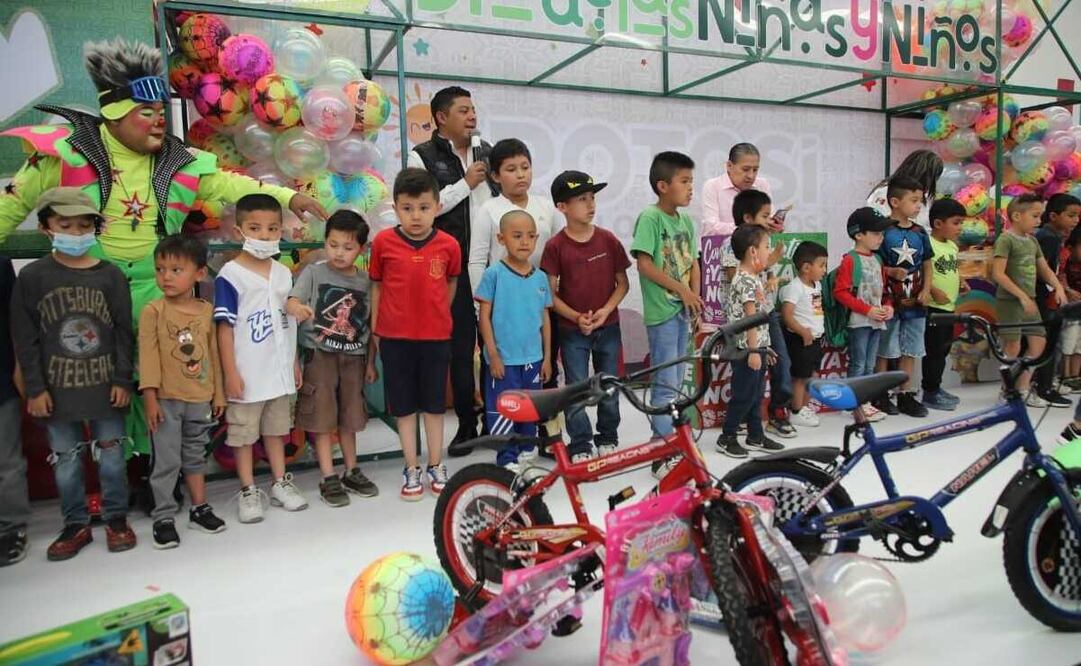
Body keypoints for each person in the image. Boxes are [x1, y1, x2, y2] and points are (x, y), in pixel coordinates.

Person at [0, 39, 325, 460]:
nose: (158, 122)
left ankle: (158, 469)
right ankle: (115, 475)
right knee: (99, 383)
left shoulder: (177, 159)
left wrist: (287, 197)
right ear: (115, 115)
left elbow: (230, 185)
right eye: (146, 113)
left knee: (168, 380)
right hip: (91, 290)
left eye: (160, 113)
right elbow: (12, 204)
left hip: (161, 290)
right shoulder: (66, 153)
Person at [10, 187, 135, 561]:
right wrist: (34, 388)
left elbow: (123, 333)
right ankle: (75, 523)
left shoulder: (110, 276)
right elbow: (25, 338)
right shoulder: (33, 277)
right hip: (56, 389)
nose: (76, 233)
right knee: (65, 460)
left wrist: (122, 380)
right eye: (65, 225)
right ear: (47, 227)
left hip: (106, 386)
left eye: (83, 225)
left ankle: (116, 519)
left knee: (112, 457)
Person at [408, 86, 495, 452]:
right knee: (460, 350)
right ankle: (466, 423)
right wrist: (465, 184)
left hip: (493, 267)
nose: (472, 116)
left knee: (494, 347)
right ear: (441, 117)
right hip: (450, 270)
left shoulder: (488, 152)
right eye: (463, 110)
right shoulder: (421, 157)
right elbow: (423, 207)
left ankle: (497, 419)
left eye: (474, 109)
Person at [214, 194, 307, 524]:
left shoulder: (283, 274)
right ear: (239, 232)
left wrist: (293, 362)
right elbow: (224, 328)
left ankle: (280, 483)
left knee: (276, 430)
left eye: (272, 229)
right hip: (247, 374)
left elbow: (288, 322)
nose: (265, 236)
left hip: (278, 371)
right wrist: (230, 373)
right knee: (243, 435)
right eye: (255, 228)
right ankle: (248, 489)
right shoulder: (230, 275)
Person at [369, 168, 461, 500]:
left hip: (436, 337)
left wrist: (438, 315)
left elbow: (450, 283)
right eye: (407, 208)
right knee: (405, 408)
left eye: (423, 207)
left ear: (437, 206)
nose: (416, 215)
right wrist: (378, 329)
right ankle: (412, 467)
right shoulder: (383, 243)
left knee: (435, 407)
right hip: (395, 338)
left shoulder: (449, 245)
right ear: (395, 208)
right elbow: (376, 286)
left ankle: (437, 464)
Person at [286, 211, 379, 508]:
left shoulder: (366, 282)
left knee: (351, 418)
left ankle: (352, 470)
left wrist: (371, 362)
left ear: (361, 250)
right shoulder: (314, 272)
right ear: (325, 242)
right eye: (333, 244)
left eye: (348, 247)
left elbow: (371, 324)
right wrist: (298, 309)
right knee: (322, 417)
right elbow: (291, 300)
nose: (339, 252)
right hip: (320, 356)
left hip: (354, 357)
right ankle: (328, 476)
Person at [139, 235, 227, 548]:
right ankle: (163, 516)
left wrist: (218, 394)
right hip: (166, 400)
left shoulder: (206, 311)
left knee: (194, 454)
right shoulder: (154, 311)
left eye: (176, 270)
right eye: (161, 269)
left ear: (199, 273)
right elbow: (147, 356)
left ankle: (199, 507)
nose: (166, 277)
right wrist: (150, 397)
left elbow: (214, 353)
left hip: (200, 397)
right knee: (165, 460)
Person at [541, 171, 629, 463]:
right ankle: (580, 443)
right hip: (571, 330)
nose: (590, 205)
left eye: (592, 198)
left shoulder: (608, 240)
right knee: (577, 386)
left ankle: (608, 436)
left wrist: (605, 311)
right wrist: (576, 317)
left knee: (609, 384)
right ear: (562, 207)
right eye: (581, 199)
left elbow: (623, 283)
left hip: (610, 326)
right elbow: (549, 294)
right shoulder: (555, 246)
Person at [630, 152, 702, 478]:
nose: (690, 189)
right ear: (662, 186)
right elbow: (644, 264)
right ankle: (662, 453)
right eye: (684, 182)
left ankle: (676, 443)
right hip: (662, 313)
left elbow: (694, 261)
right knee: (665, 384)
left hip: (684, 312)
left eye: (691, 181)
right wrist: (681, 290)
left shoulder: (685, 221)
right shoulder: (650, 217)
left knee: (677, 384)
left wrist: (695, 297)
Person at [475, 210, 552, 471]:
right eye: (517, 236)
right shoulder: (493, 274)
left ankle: (527, 450)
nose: (524, 242)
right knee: (504, 407)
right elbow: (484, 317)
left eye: (531, 236)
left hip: (533, 358)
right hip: (504, 359)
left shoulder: (540, 278)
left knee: (529, 407)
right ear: (501, 238)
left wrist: (548, 357)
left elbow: (545, 319)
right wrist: (493, 354)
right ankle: (506, 458)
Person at [721, 189, 793, 437]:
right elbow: (744, 292)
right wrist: (755, 349)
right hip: (747, 331)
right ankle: (732, 431)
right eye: (765, 215)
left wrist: (771, 273)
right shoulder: (740, 263)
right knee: (748, 386)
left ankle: (759, 429)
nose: (770, 220)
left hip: (763, 320)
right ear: (748, 218)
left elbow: (762, 274)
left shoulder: (757, 258)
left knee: (764, 378)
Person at [992, 193, 1067, 404]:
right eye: (1034, 216)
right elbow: (998, 273)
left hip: (1030, 300)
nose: (1038, 221)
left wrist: (1058, 287)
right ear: (1017, 216)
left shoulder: (1032, 241)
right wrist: (1021, 296)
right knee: (1013, 346)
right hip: (1011, 302)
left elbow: (1044, 268)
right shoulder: (1006, 239)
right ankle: (1007, 390)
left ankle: (1023, 387)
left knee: (1039, 344)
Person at [716, 225, 784, 458]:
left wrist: (765, 348)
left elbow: (760, 314)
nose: (769, 251)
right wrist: (755, 350)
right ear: (753, 251)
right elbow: (750, 318)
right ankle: (727, 436)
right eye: (766, 246)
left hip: (758, 347)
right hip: (746, 349)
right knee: (744, 394)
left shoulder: (753, 278)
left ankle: (756, 434)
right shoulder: (744, 280)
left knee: (756, 394)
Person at [872, 176, 933, 418]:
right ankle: (881, 393)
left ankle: (906, 394)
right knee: (886, 347)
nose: (918, 206)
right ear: (895, 202)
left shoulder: (920, 232)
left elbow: (928, 262)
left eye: (921, 201)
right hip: (889, 301)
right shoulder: (883, 231)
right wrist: (889, 272)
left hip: (916, 301)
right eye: (914, 200)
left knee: (912, 347)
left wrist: (927, 289)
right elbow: (872, 262)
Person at [468, 138, 559, 292]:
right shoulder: (488, 210)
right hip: (504, 295)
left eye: (525, 167)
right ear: (495, 176)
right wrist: (481, 305)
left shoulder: (547, 207)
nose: (520, 175)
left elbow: (560, 252)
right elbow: (477, 262)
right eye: (511, 170)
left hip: (542, 295)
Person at [833, 207, 893, 421]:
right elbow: (841, 292)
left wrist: (888, 306)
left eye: (882, 234)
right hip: (859, 321)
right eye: (876, 233)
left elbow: (884, 291)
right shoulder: (850, 260)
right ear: (859, 234)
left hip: (877, 321)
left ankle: (864, 401)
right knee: (858, 363)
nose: (881, 238)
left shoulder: (878, 260)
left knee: (869, 363)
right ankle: (852, 404)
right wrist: (867, 310)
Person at [1032, 193, 1081, 405]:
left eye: (1078, 216)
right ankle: (1043, 387)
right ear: (1053, 215)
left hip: (1049, 296)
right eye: (1071, 215)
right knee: (1047, 342)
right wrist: (1059, 289)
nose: (1075, 220)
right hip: (1044, 297)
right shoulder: (1048, 238)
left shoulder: (1053, 237)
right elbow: (1043, 271)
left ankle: (1046, 384)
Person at [922, 198, 968, 412]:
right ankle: (930, 392)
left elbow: (951, 269)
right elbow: (923, 272)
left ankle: (936, 388)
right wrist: (931, 290)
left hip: (950, 308)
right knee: (934, 352)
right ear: (939, 224)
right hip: (934, 308)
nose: (960, 228)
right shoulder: (928, 244)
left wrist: (961, 281)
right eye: (956, 222)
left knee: (943, 350)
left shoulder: (951, 246)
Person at [781, 241, 828, 428]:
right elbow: (787, 315)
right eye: (822, 265)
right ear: (806, 267)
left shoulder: (817, 286)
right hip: (800, 340)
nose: (825, 269)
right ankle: (795, 409)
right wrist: (802, 331)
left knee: (811, 374)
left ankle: (805, 408)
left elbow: (816, 310)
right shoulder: (795, 287)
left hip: (815, 338)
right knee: (800, 376)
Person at [0, 255, 28, 566]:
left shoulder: (1, 262)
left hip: (2, 377)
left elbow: (15, 322)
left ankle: (11, 528)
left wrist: (20, 369)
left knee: (7, 461)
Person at [701, 143, 776, 237]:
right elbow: (711, 227)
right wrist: (750, 228)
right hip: (718, 248)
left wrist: (774, 225)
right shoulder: (713, 186)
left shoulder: (762, 185)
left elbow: (769, 219)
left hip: (755, 247)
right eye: (745, 169)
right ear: (729, 166)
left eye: (755, 170)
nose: (751, 176)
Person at [867, 149, 944, 231]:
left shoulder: (925, 195)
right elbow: (877, 227)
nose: (931, 185)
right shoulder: (884, 193)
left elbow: (925, 226)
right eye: (931, 180)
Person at [1060, 225, 1081, 391]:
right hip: (1071, 311)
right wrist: (1067, 290)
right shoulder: (1065, 262)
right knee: (1068, 342)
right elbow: (1060, 278)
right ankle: (1065, 376)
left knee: (1079, 346)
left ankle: (1075, 376)